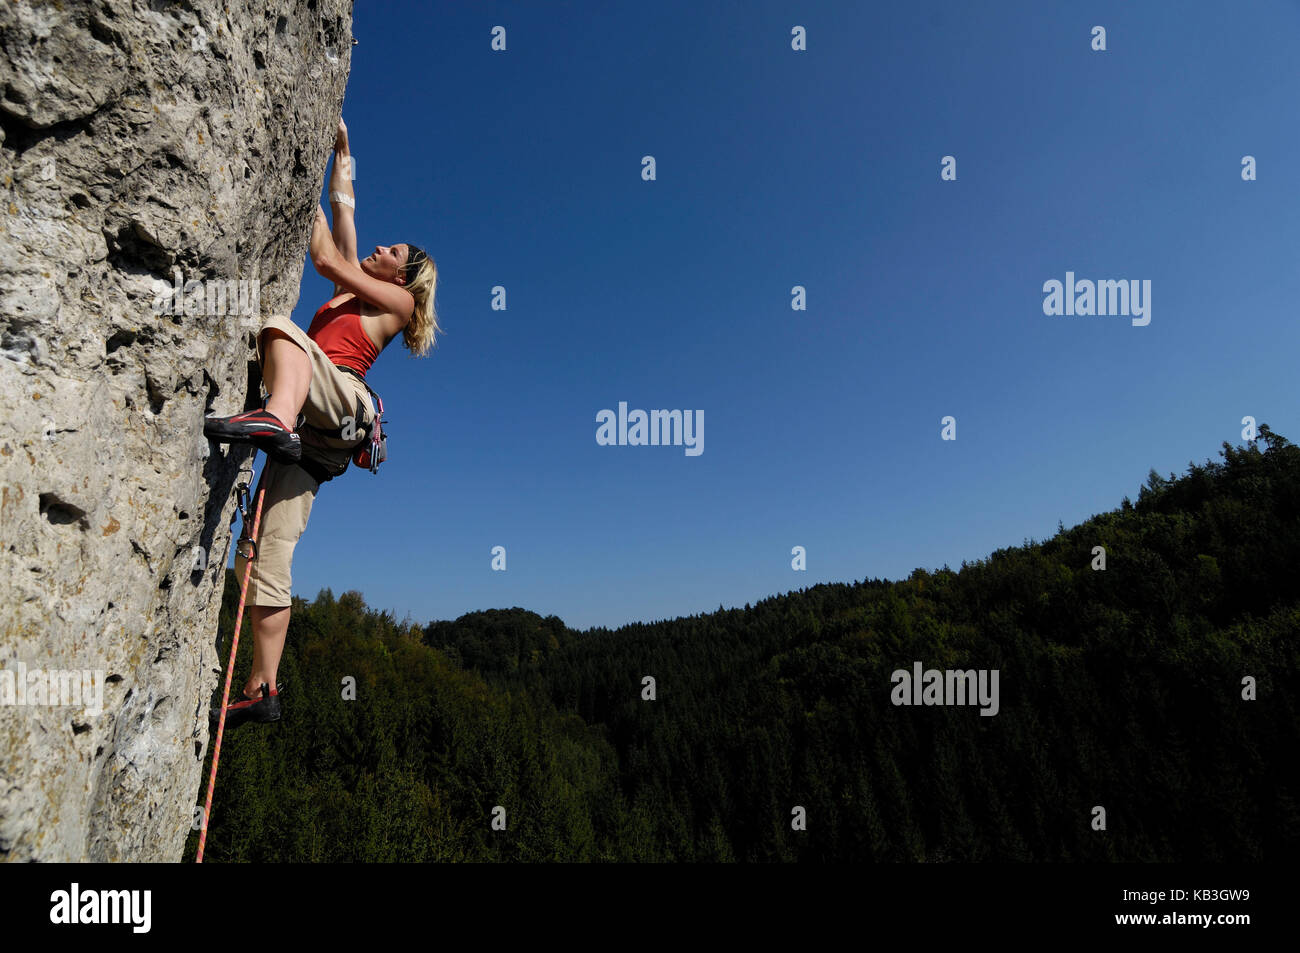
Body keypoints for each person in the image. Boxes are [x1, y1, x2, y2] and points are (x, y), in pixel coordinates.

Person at [203, 117, 440, 728]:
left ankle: (273, 417)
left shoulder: (398, 302)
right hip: (314, 443)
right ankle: (265, 689)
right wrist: (340, 153)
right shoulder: (358, 289)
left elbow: (328, 257)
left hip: (337, 406)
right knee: (260, 553)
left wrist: (293, 167)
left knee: (280, 330)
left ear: (403, 275)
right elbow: (345, 218)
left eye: (391, 252)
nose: (379, 248)